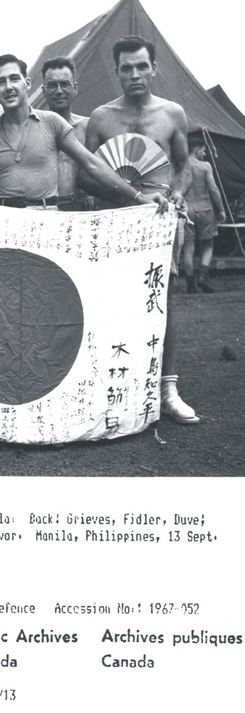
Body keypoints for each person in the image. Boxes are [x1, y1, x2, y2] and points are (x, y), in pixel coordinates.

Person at [85, 35, 198, 424]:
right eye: (126, 68)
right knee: (111, 303)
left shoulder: (172, 114)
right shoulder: (101, 117)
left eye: (141, 66)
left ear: (154, 68)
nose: (134, 74)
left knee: (160, 300)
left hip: (157, 220)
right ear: (116, 72)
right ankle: (115, 389)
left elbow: (183, 166)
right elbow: (89, 173)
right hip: (115, 218)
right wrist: (128, 194)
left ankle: (168, 389)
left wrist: (177, 195)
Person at [0, 54, 168, 212]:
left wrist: (139, 196)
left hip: (48, 219)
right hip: (6, 221)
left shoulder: (51, 122)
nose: (9, 87)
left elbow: (91, 164)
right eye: (1, 82)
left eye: (14, 79)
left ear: (27, 83)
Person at [41, 56, 95, 209]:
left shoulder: (88, 127)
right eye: (52, 85)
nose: (59, 91)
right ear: (43, 90)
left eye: (64, 84)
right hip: (46, 210)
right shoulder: (34, 129)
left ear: (75, 88)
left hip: (83, 210)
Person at [183, 138, 226, 293]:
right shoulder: (205, 166)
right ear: (196, 150)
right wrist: (221, 209)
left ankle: (189, 282)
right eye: (203, 150)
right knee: (207, 244)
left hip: (186, 209)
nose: (205, 153)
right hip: (205, 208)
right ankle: (202, 277)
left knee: (188, 247)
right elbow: (213, 189)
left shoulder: (180, 166)